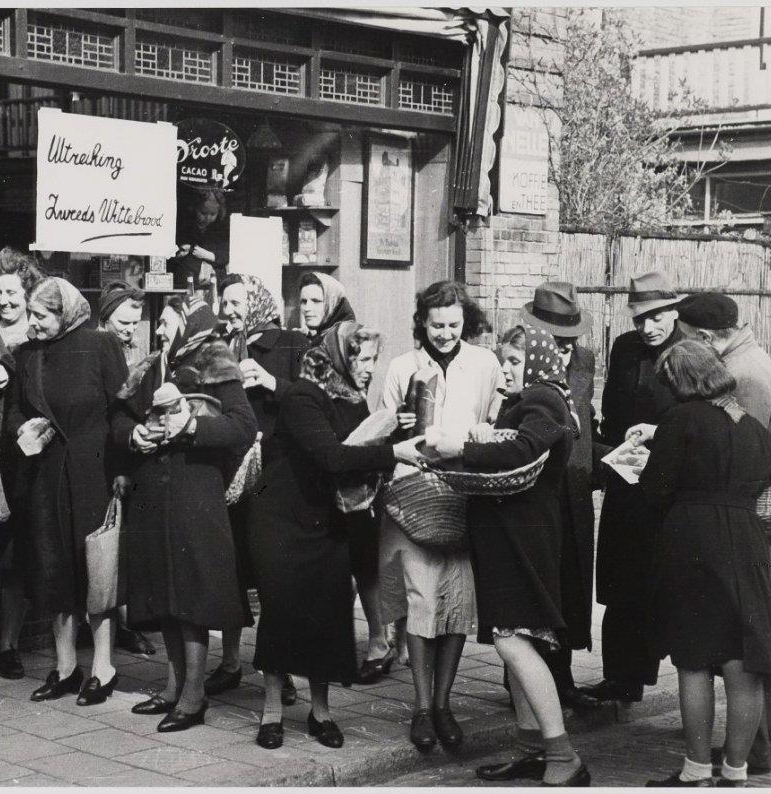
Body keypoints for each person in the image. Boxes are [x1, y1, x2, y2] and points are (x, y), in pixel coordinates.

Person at [248, 321, 426, 750]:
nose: (368, 369)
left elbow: (360, 450)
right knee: (282, 612)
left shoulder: (352, 398)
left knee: (327, 615)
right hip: (282, 519)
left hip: (328, 520)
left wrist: (396, 431)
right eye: (361, 359)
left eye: (372, 360)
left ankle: (320, 712)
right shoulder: (303, 395)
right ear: (340, 357)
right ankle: (272, 713)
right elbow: (331, 456)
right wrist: (393, 450)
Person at [427, 323, 589, 787]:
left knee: (512, 640)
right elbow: (510, 446)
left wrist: (462, 446)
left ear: (536, 359)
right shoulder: (529, 401)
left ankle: (562, 754)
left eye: (515, 362)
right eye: (504, 363)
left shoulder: (544, 399)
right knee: (512, 637)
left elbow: (523, 449)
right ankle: (530, 747)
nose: (506, 373)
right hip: (510, 534)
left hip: (523, 535)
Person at [636, 341, 771, 787]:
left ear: (681, 382)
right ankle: (736, 771)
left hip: (693, 542)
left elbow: (655, 490)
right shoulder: (749, 423)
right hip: (746, 542)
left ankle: (694, 771)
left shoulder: (680, 420)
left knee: (694, 660)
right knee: (742, 661)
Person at [677, 292, 771, 775]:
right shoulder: (752, 356)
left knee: (748, 651)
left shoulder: (743, 377)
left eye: (688, 338)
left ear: (707, 337)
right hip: (754, 528)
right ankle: (761, 750)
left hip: (747, 529)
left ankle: (753, 752)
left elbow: (735, 457)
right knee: (754, 649)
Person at [116, 296, 256, 732]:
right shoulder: (151, 366)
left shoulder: (215, 359)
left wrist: (192, 428)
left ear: (189, 325)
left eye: (166, 322)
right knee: (164, 594)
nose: (157, 330)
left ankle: (194, 698)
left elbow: (243, 425)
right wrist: (133, 434)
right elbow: (118, 418)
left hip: (195, 495)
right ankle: (173, 687)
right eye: (158, 323)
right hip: (153, 496)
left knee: (191, 597)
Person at [377, 280, 502, 752]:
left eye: (453, 325)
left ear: (464, 321)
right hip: (414, 495)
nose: (445, 334)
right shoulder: (401, 366)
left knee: (457, 604)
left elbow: (493, 424)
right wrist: (400, 426)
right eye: (436, 325)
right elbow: (382, 429)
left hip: (466, 493)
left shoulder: (485, 363)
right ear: (422, 323)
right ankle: (422, 706)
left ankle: (446, 703)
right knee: (421, 601)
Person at [5, 277, 130, 706]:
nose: (33, 323)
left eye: (41, 315)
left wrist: (123, 470)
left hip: (93, 473)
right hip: (45, 475)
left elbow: (123, 411)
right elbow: (15, 411)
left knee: (95, 568)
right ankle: (63, 667)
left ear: (66, 314)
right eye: (32, 314)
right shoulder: (27, 355)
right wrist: (23, 428)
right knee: (53, 568)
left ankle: (103, 666)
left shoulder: (101, 346)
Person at [205, 273, 311, 704]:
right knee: (229, 570)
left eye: (236, 302)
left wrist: (270, 383)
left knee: (273, 576)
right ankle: (230, 662)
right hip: (228, 475)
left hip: (273, 476)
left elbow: (312, 398)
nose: (228, 311)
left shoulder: (290, 343)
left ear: (257, 302)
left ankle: (279, 667)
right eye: (224, 303)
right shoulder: (217, 346)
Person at [582, 271, 683, 706]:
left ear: (674, 311)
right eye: (641, 318)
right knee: (619, 582)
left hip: (666, 487)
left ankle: (647, 672)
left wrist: (659, 437)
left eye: (657, 316)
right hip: (625, 480)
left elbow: (697, 417)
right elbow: (611, 411)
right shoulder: (625, 348)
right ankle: (619, 678)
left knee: (656, 583)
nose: (649, 327)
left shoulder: (689, 352)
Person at [519, 282, 603, 712]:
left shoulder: (586, 362)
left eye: (572, 342)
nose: (566, 351)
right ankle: (525, 683)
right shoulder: (519, 363)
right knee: (539, 587)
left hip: (575, 489)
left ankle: (563, 678)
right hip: (537, 491)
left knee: (572, 581)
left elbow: (583, 421)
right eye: (558, 342)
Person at [0, 248, 44, 681]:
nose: (3, 300)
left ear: (28, 293)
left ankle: (9, 645)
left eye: (12, 292)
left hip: (23, 456)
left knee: (15, 554)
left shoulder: (41, 335)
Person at [96, 279, 158, 658]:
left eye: (136, 323)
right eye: (123, 321)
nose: (130, 330)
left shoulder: (133, 353)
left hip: (126, 455)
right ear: (105, 317)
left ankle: (124, 624)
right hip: (103, 458)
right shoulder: (99, 350)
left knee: (121, 545)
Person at [171, 188, 229, 291]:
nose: (207, 218)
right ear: (194, 208)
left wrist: (209, 255)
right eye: (203, 213)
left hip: (214, 282)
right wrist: (181, 250)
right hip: (186, 282)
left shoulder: (221, 230)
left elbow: (227, 254)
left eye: (212, 214)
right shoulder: (183, 227)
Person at [298, 272, 356, 344]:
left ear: (333, 303)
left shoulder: (342, 342)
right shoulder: (328, 337)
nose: (307, 308)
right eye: (304, 302)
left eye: (316, 301)